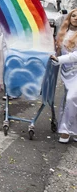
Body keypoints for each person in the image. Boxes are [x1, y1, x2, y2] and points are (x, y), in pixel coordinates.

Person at [50, 8, 77, 143]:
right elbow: (57, 52)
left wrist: (59, 60)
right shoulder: (63, 32)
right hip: (66, 73)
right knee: (68, 99)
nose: (76, 18)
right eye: (74, 15)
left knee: (72, 98)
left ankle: (66, 130)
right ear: (69, 17)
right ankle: (73, 129)